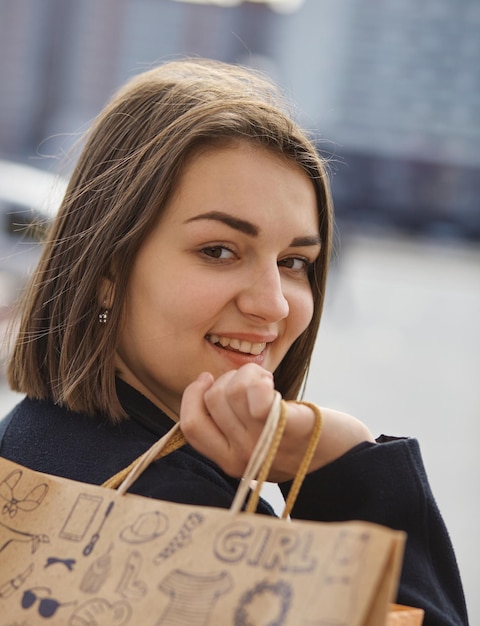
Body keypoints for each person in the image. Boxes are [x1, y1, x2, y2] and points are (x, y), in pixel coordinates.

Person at [0, 58, 468, 625]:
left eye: (296, 262)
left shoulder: (27, 444)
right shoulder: (191, 521)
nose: (272, 303)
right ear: (106, 271)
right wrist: (342, 458)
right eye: (219, 250)